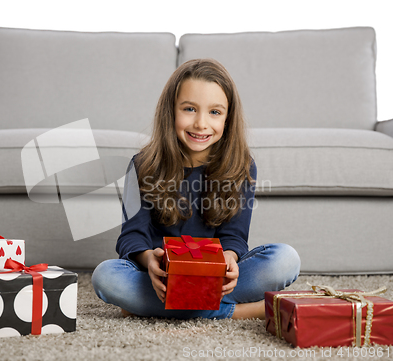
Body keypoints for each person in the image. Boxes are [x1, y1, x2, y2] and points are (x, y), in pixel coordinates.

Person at [91, 58, 300, 319]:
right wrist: (149, 260)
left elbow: (235, 237)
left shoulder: (242, 167)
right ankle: (239, 312)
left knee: (285, 259)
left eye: (215, 112)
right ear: (171, 110)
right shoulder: (143, 165)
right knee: (107, 277)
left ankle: (149, 308)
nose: (201, 123)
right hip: (163, 279)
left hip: (214, 277)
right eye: (190, 109)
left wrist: (230, 259)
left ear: (228, 117)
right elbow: (131, 236)